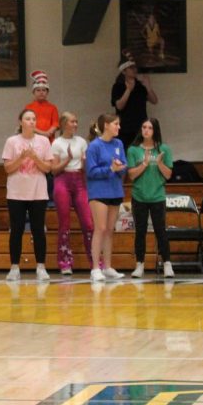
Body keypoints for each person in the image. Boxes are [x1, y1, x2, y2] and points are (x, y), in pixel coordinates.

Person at [2, 109, 53, 282]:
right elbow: (8, 168)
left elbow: (47, 168)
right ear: (20, 122)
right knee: (16, 230)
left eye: (33, 119)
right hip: (16, 192)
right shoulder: (12, 141)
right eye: (28, 118)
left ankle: (41, 266)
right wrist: (22, 157)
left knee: (38, 230)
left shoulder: (44, 141)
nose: (31, 122)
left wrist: (35, 157)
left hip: (38, 192)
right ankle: (14, 267)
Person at [126, 117, 174, 278]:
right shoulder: (133, 150)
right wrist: (145, 163)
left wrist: (159, 163)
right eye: (144, 127)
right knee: (140, 232)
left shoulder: (164, 149)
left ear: (155, 131)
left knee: (161, 231)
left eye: (150, 128)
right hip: (139, 196)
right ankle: (139, 264)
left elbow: (168, 175)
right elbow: (131, 175)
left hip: (157, 196)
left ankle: (167, 263)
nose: (146, 130)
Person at [86, 113, 128, 282]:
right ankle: (96, 267)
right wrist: (110, 169)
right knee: (100, 228)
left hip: (115, 191)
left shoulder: (119, 143)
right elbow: (91, 171)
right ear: (106, 125)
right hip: (98, 192)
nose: (119, 127)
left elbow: (124, 165)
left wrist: (120, 167)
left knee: (110, 230)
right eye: (116, 124)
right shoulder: (94, 146)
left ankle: (108, 266)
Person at [50, 111, 93, 276]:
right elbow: (53, 170)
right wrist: (67, 160)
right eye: (72, 122)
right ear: (63, 124)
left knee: (88, 223)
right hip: (62, 180)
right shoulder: (57, 143)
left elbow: (84, 166)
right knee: (64, 224)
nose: (75, 125)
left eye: (76, 122)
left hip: (79, 180)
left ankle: (95, 261)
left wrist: (84, 163)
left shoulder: (81, 141)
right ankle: (65, 262)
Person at [111, 57, 157, 148]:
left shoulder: (140, 85)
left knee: (140, 154)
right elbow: (119, 106)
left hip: (141, 127)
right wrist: (128, 90)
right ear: (124, 71)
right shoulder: (118, 86)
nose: (135, 70)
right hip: (124, 128)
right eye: (131, 68)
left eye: (135, 67)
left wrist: (148, 87)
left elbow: (154, 100)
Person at [25, 71, 59, 142]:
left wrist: (49, 132)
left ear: (47, 92)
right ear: (33, 92)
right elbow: (28, 124)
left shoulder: (52, 107)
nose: (41, 92)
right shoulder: (28, 107)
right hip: (33, 139)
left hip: (49, 140)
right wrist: (43, 133)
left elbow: (55, 123)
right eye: (38, 90)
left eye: (44, 90)